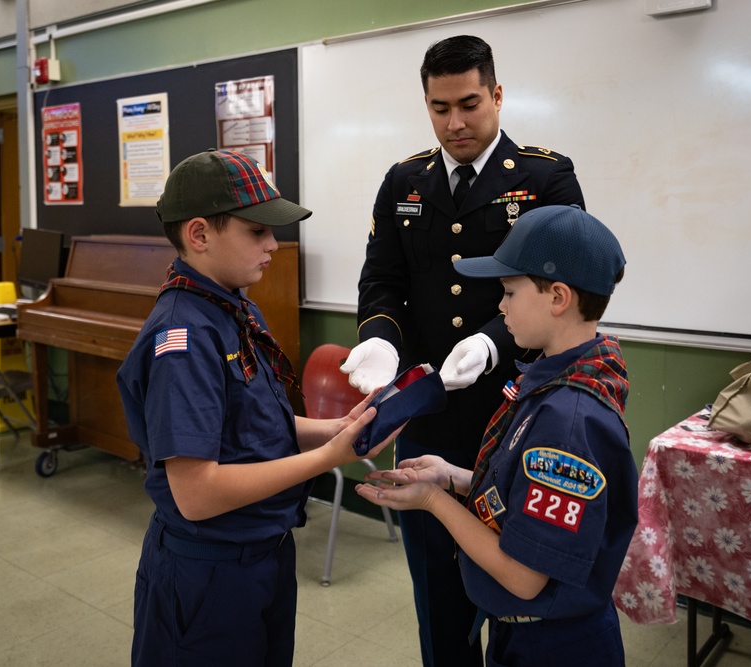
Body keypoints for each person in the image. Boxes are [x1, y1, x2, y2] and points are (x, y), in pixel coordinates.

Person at [341, 34, 586, 666]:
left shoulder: (543, 177)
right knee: (438, 600)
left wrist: (492, 340)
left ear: (498, 95)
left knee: (520, 594)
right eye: (439, 107)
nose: (455, 123)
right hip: (431, 419)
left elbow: (565, 289)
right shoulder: (405, 181)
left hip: (518, 415)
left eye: (470, 104)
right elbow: (383, 280)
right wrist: (379, 338)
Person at [116, 149, 400, 667]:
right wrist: (327, 457)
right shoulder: (184, 338)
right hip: (209, 571)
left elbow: (255, 423)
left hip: (264, 554)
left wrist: (337, 429)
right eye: (256, 232)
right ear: (199, 235)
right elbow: (197, 494)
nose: (273, 244)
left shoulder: (235, 306)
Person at [356, 204, 638, 667]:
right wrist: (455, 478)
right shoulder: (558, 377)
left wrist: (433, 501)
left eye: (507, 292)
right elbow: (525, 496)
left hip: (554, 645)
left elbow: (525, 578)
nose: (499, 306)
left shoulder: (566, 420)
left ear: (558, 297)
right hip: (527, 631)